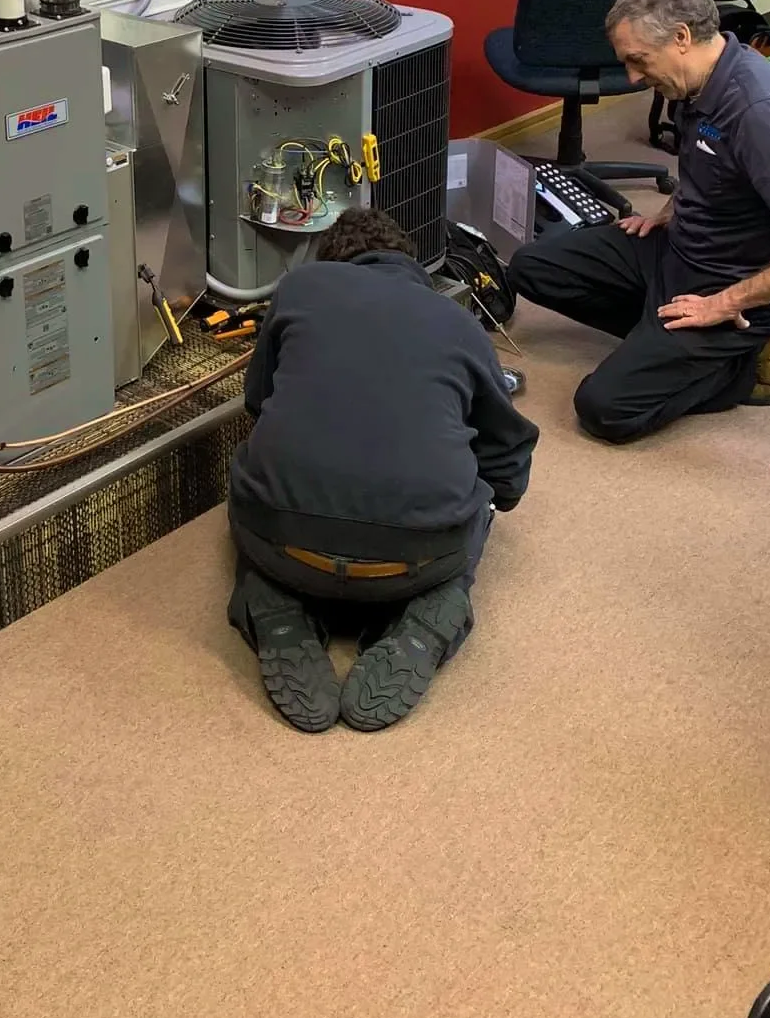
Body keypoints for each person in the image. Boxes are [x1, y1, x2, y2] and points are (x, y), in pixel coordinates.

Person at [507, 0, 770, 445]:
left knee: (605, 409)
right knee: (532, 267)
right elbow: (718, 166)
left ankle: (748, 362)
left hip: (727, 283)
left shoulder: (759, 111)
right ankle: (663, 341)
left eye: (638, 60)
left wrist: (725, 303)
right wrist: (672, 208)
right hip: (679, 247)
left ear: (681, 38)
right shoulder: (693, 81)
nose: (633, 77)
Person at [226, 207, 538, 734]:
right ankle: (430, 617)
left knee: (256, 476)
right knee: (476, 502)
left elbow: (257, 401)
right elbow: (508, 462)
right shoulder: (460, 323)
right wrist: (487, 493)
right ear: (409, 262)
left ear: (331, 260)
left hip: (287, 548)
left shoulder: (299, 288)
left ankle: (273, 601)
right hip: (416, 559)